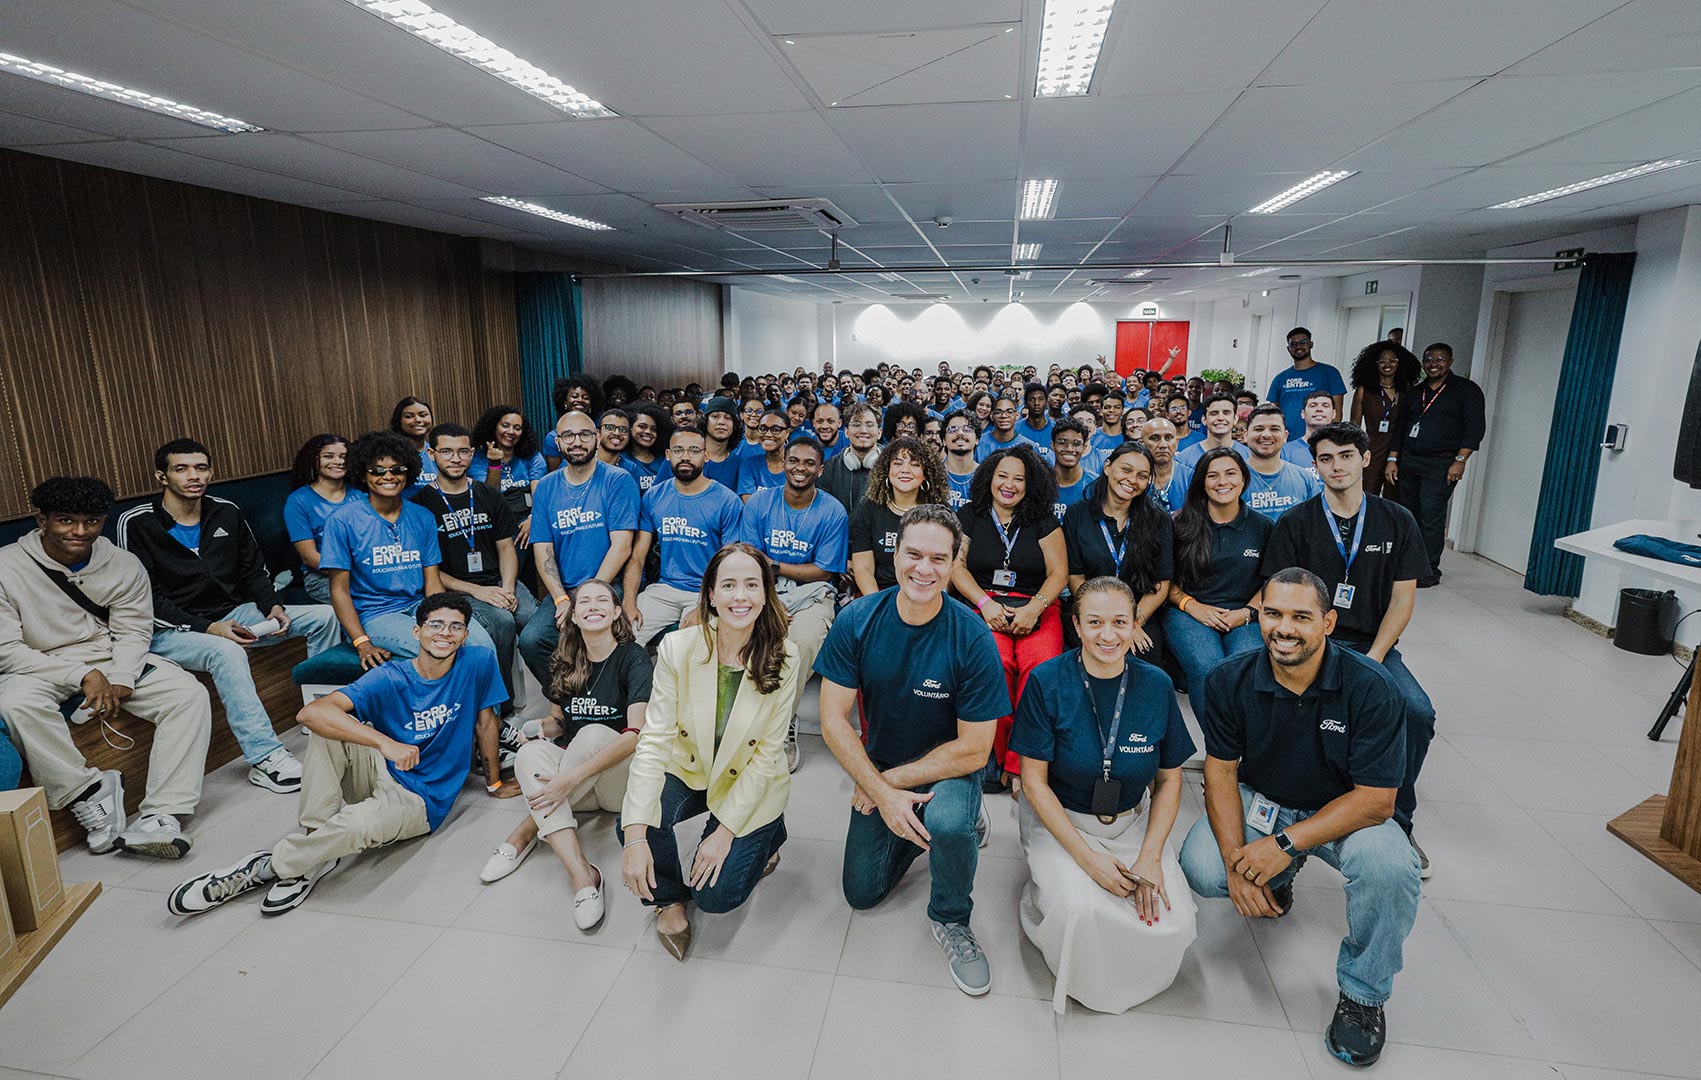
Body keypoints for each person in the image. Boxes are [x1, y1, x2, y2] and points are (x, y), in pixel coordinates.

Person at [1178, 568, 1421, 1069]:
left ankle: (1364, 996)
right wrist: (1233, 861)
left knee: (1391, 869)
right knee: (1201, 866)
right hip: (1267, 800)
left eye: (1300, 617)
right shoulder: (1230, 679)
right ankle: (1279, 879)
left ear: (1328, 623)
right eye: (1272, 614)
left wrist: (1283, 845)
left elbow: (1377, 800)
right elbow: (1220, 774)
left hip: (1346, 813)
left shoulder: (1372, 688)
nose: (1283, 628)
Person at [168, 593, 507, 917]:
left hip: (421, 798)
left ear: (464, 635)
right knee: (328, 726)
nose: (445, 634)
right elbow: (311, 714)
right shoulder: (389, 677)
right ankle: (314, 846)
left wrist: (493, 781)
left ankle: (275, 864)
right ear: (416, 631)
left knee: (358, 825)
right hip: (382, 766)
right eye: (436, 625)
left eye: (455, 626)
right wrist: (384, 744)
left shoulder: (477, 662)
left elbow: (486, 722)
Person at [819, 505, 1010, 994]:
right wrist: (880, 785)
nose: (924, 569)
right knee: (861, 893)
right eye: (914, 554)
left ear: (953, 565)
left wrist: (886, 787)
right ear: (895, 552)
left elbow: (974, 750)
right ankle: (933, 825)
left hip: (948, 766)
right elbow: (832, 718)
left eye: (939, 559)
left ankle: (951, 917)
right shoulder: (858, 619)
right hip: (882, 762)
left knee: (947, 821)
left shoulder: (972, 636)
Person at [0, 477, 214, 858]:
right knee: (15, 703)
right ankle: (88, 792)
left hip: (107, 655)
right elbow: (6, 650)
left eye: (92, 522)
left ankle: (161, 813)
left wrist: (121, 676)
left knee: (188, 695)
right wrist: (80, 676)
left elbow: (133, 629)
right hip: (38, 665)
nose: (80, 532)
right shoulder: (6, 566)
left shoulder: (122, 563)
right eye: (66, 520)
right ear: (41, 519)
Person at [1014, 576, 1197, 1014]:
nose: (1108, 635)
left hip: (1134, 824)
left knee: (1177, 920)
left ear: (1136, 625)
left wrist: (1151, 855)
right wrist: (1087, 859)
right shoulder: (1046, 681)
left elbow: (1170, 780)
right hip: (1062, 823)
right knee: (1082, 911)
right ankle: (1049, 903)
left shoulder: (1156, 684)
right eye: (1094, 622)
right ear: (1076, 626)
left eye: (1120, 622)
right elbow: (1033, 782)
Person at [118, 438, 341, 794]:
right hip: (173, 629)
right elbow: (145, 598)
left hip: (234, 612)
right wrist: (209, 628)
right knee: (227, 652)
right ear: (162, 476)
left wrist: (274, 606)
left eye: (201, 468)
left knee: (324, 616)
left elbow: (255, 571)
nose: (194, 476)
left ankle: (322, 714)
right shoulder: (136, 523)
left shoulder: (226, 511)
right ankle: (265, 758)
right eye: (182, 469)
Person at [1263, 423, 1436, 875]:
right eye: (1325, 458)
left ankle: (1397, 821)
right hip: (1310, 645)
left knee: (1415, 711)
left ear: (1364, 459)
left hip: (1370, 645)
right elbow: (1282, 603)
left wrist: (1374, 658)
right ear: (1314, 465)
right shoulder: (1295, 523)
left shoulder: (1398, 520)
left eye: (1344, 456)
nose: (1335, 466)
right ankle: (1292, 820)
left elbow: (1402, 599)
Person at [620, 544, 796, 960]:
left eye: (752, 585)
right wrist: (632, 839)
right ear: (711, 594)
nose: (741, 596)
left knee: (717, 897)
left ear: (766, 593)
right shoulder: (678, 648)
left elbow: (768, 755)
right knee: (636, 823)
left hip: (750, 778)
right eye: (729, 585)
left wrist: (724, 833)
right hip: (692, 769)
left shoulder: (785, 656)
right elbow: (654, 740)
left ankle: (769, 831)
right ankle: (669, 901)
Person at [480, 580, 648, 929]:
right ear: (573, 614)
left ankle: (525, 831)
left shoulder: (633, 657)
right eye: (583, 601)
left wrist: (565, 780)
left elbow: (635, 735)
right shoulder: (565, 660)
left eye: (603, 599)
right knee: (529, 757)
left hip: (618, 783)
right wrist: (536, 732)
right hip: (577, 788)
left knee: (591, 734)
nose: (592, 605)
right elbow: (558, 723)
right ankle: (584, 878)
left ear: (617, 611)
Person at [320, 431, 499, 670]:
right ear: (363, 474)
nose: (388, 476)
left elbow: (432, 580)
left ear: (408, 472)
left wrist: (443, 617)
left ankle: (488, 709)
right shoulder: (342, 521)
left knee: (482, 645)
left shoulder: (422, 517)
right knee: (445, 650)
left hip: (420, 605)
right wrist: (361, 642)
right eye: (377, 470)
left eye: (397, 469)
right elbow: (339, 591)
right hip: (377, 616)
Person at [952, 446, 1067, 782]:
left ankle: (1022, 767)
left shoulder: (1043, 518)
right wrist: (985, 605)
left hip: (1037, 604)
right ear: (989, 477)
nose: (1010, 484)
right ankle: (994, 754)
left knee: (1039, 669)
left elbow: (1058, 572)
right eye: (1003, 476)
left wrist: (1035, 607)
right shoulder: (970, 514)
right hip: (984, 602)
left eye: (1019, 479)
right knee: (994, 665)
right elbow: (956, 566)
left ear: (1031, 484)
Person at [740, 435, 847, 773]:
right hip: (762, 588)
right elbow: (751, 561)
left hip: (813, 592)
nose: (800, 468)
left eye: (809, 463)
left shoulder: (832, 510)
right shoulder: (759, 504)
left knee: (803, 640)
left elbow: (825, 571)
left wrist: (776, 566)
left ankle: (781, 723)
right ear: (783, 462)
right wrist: (770, 598)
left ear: (821, 468)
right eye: (794, 461)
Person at [411, 424, 535, 706]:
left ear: (472, 454)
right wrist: (478, 592)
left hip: (499, 580)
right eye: (447, 451)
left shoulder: (488, 495)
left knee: (531, 620)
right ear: (431, 454)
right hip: (456, 588)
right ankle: (500, 704)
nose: (456, 459)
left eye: (463, 451)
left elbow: (506, 548)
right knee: (502, 622)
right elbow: (430, 570)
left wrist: (507, 588)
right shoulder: (420, 506)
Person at [521, 411, 640, 687]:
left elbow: (622, 547)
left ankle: (605, 698)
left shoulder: (618, 480)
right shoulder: (547, 487)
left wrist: (588, 596)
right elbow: (543, 550)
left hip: (609, 585)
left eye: (585, 434)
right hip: (565, 589)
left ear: (597, 438)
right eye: (568, 436)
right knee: (531, 640)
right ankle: (568, 699)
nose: (577, 441)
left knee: (604, 635)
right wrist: (562, 599)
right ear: (558, 442)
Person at [1162, 447, 1270, 696]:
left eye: (1231, 473)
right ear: (1202, 482)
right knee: (1207, 668)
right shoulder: (1178, 524)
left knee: (1243, 668)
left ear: (1244, 478)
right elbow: (1164, 580)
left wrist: (1246, 613)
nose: (1223, 482)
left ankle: (1244, 735)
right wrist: (1193, 606)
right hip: (1188, 611)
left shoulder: (1263, 527)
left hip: (1246, 614)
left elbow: (1270, 583)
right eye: (1213, 476)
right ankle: (1215, 737)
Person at [623, 427, 745, 646]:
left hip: (706, 590)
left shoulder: (727, 501)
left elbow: (729, 565)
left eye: (694, 450)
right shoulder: (654, 497)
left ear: (706, 456)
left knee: (689, 646)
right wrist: (629, 602)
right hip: (665, 589)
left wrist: (705, 606)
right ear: (669, 455)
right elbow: (637, 557)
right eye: (679, 450)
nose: (686, 457)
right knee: (621, 635)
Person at [1060, 443, 1173, 660]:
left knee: (1143, 653)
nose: (1132, 480)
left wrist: (1131, 622)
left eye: (1142, 475)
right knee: (1092, 653)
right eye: (1126, 470)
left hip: (1140, 613)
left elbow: (1161, 584)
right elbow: (1075, 576)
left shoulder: (1159, 519)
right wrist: (1102, 621)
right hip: (1089, 610)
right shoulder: (1077, 514)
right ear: (1107, 467)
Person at [1386, 342, 1486, 586]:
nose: (1434, 364)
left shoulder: (1466, 390)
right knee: (1410, 515)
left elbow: (1475, 429)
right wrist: (1392, 459)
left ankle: (1429, 570)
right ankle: (1408, 565)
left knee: (1431, 516)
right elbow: (1400, 428)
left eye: (1440, 359)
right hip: (1409, 461)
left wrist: (1460, 461)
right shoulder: (1415, 392)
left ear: (1450, 361)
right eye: (1429, 359)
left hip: (1442, 463)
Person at [850, 438, 948, 597]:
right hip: (879, 593)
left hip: (926, 592)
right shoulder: (869, 509)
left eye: (915, 464)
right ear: (886, 470)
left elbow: (947, 567)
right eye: (897, 463)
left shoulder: (940, 512)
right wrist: (877, 606)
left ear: (926, 474)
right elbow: (863, 569)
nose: (905, 470)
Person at [284, 434, 357, 604]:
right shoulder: (298, 501)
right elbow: (308, 556)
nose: (338, 461)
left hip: (369, 570)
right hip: (323, 577)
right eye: (328, 456)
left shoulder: (360, 493)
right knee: (370, 600)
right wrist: (357, 573)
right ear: (314, 460)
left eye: (343, 457)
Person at [1348, 340, 1421, 497]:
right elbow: (1354, 424)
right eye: (1382, 361)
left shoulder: (1406, 391)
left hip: (1400, 450)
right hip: (1372, 449)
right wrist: (1356, 452)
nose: (1387, 364)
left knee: (1395, 497)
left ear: (1399, 363)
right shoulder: (1364, 390)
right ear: (1375, 364)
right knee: (1366, 493)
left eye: (1392, 360)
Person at [468, 405, 548, 543]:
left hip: (528, 516)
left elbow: (539, 492)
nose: (511, 432)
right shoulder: (478, 459)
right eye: (505, 426)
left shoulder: (532, 456)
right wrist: (494, 464)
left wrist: (533, 519)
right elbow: (490, 497)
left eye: (517, 428)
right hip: (496, 519)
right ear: (494, 427)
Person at [1242, 405, 1323, 519]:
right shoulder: (1233, 479)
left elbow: (1316, 522)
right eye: (1258, 429)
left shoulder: (1305, 479)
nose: (1266, 435)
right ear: (1245, 435)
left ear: (1285, 436)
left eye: (1274, 429)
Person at [1269, 327, 1346, 438]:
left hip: (1320, 439)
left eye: (1303, 342)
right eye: (1293, 344)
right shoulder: (1280, 378)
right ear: (1288, 348)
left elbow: (1337, 411)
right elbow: (1274, 413)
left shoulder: (1329, 373)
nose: (1298, 346)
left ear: (1311, 344)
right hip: (1287, 441)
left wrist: (1331, 438)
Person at [820, 401, 881, 513]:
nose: (863, 430)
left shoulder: (893, 465)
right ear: (846, 432)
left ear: (879, 432)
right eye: (857, 424)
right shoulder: (830, 467)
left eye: (870, 425)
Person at [737, 408, 791, 499]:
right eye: (763, 428)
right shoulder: (749, 464)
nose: (768, 434)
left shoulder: (796, 465)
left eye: (776, 429)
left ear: (787, 433)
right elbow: (749, 503)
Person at [1049, 417, 1097, 520]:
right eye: (1062, 442)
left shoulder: (1095, 485)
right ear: (1052, 445)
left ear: (1084, 448)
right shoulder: (1040, 482)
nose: (1069, 449)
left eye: (1076, 444)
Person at [389, 396, 437, 497]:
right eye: (409, 416)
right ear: (399, 421)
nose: (418, 420)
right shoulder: (390, 454)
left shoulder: (438, 452)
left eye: (423, 415)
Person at [1140, 417, 1192, 512]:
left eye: (1168, 438)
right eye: (1155, 438)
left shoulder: (1190, 477)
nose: (1163, 445)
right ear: (1142, 443)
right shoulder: (1134, 477)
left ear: (1176, 443)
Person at [621, 404, 673, 496]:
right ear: (630, 427)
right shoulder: (621, 460)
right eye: (642, 426)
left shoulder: (665, 461)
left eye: (654, 429)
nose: (648, 432)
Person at [1280, 389, 1339, 470]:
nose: (1319, 409)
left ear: (1334, 414)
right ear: (1303, 414)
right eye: (1313, 405)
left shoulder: (1343, 450)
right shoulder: (1285, 451)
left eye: (1325, 406)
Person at [1176, 394, 1238, 470]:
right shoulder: (1184, 459)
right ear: (1204, 420)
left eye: (1226, 413)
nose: (1220, 418)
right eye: (1214, 413)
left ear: (1235, 418)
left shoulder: (1248, 456)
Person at [698, 397, 744, 489]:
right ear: (705, 421)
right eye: (715, 416)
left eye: (728, 418)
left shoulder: (739, 464)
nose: (721, 422)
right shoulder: (687, 457)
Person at [942, 410, 978, 510]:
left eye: (967, 429)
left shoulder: (986, 476)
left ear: (977, 439)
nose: (960, 433)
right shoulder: (932, 475)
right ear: (944, 440)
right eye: (953, 429)